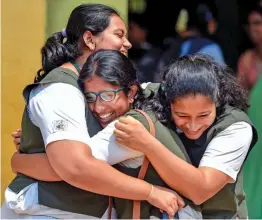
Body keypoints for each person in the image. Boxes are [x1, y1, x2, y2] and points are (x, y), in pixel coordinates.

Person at [2, 4, 180, 219]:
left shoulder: (113, 88)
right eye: (118, 34)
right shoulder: (60, 90)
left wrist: (22, 159)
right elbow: (75, 166)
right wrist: (149, 192)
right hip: (48, 212)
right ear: (89, 39)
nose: (128, 43)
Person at [10, 49, 203, 219]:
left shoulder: (128, 128)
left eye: (108, 95)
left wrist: (18, 160)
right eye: (90, 98)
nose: (99, 107)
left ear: (131, 92)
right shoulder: (148, 110)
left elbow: (74, 166)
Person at [114, 54, 258, 219]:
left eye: (204, 115)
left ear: (217, 101)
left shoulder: (236, 127)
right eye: (182, 116)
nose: (193, 125)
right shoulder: (151, 96)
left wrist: (147, 144)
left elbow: (200, 190)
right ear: (169, 103)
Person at [238, 5, 262, 92]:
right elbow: (240, 95)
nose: (252, 28)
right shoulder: (246, 59)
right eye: (249, 24)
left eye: (257, 23)